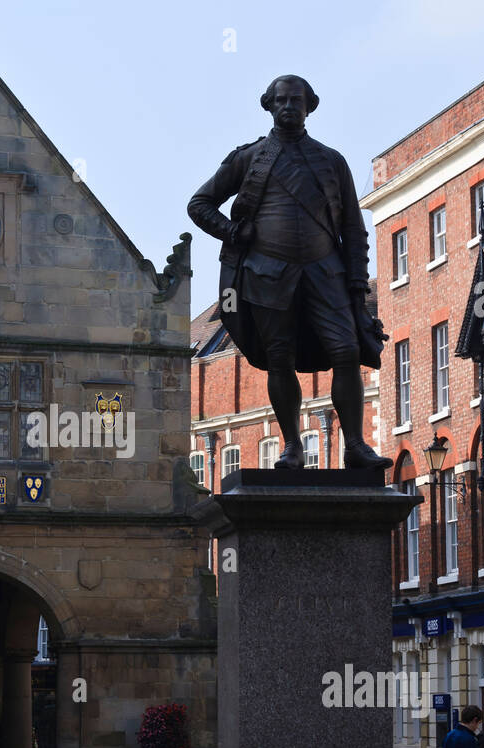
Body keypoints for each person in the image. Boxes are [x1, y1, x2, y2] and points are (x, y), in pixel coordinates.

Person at [187, 74, 390, 471]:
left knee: (347, 351)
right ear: (268, 105)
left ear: (310, 105)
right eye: (280, 100)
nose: (288, 107)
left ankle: (353, 445)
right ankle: (292, 446)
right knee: (280, 359)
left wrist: (356, 281)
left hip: (325, 273)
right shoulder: (248, 158)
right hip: (267, 274)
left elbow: (353, 227)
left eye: (296, 100)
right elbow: (200, 204)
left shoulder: (331, 160)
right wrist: (232, 231)